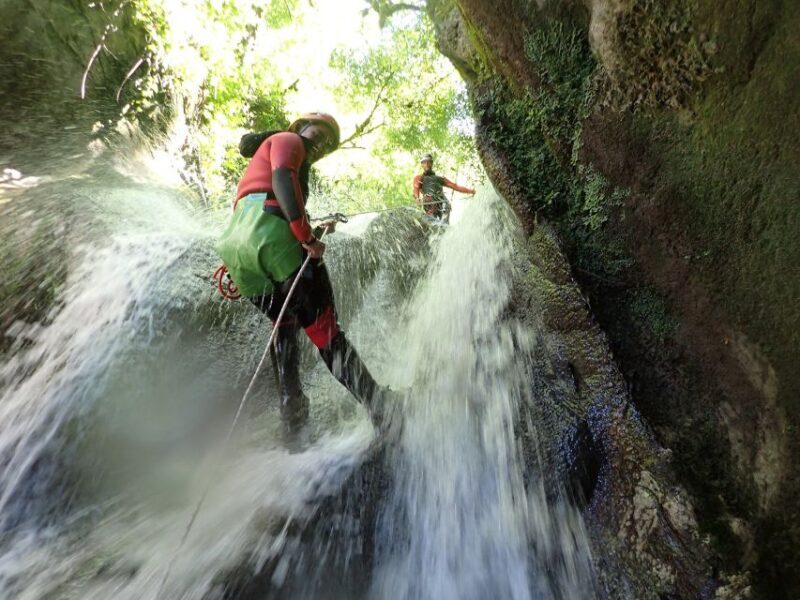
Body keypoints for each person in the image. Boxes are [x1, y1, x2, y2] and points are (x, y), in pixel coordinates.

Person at [216, 112, 389, 438]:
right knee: (326, 334)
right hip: (274, 239)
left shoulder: (261, 159)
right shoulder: (288, 140)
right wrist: (306, 237)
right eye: (319, 132)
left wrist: (312, 228)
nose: (322, 142)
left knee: (284, 325)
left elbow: (270, 194)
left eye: (329, 143)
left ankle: (292, 419)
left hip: (241, 254)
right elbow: (282, 179)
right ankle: (381, 408)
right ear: (300, 127)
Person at [412, 153, 475, 223]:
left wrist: (471, 191)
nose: (426, 164)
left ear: (431, 163)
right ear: (422, 164)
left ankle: (445, 227)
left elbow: (455, 186)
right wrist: (417, 198)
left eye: (428, 162)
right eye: (424, 162)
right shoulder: (419, 178)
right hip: (429, 205)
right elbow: (416, 188)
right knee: (432, 221)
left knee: (444, 223)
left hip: (443, 204)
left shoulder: (440, 178)